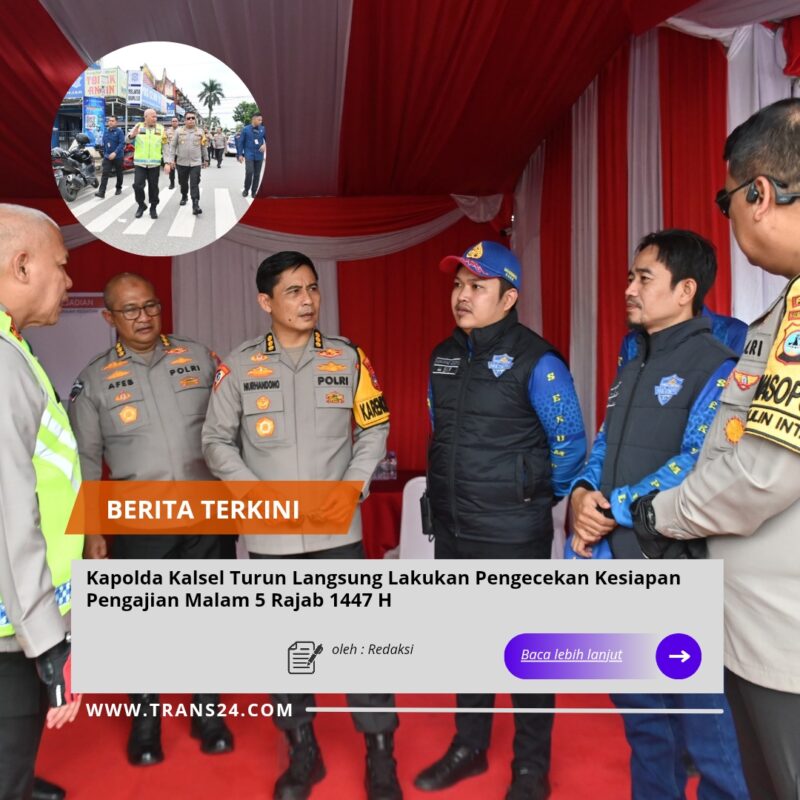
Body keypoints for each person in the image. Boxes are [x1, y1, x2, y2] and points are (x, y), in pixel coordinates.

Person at [632, 98, 800, 800]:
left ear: (759, 194)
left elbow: (762, 474)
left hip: (783, 642)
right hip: (758, 629)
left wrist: (658, 513)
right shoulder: (781, 312)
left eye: (726, 200)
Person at [202, 251, 401, 800]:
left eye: (312, 288)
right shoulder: (239, 367)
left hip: (338, 533)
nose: (308, 300)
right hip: (271, 540)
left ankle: (380, 755)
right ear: (266, 302)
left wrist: (353, 484)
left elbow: (375, 427)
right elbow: (215, 441)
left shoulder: (348, 357)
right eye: (293, 291)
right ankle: (302, 751)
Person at [568, 229, 747, 800]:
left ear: (685, 290)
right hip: (617, 567)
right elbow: (603, 444)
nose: (630, 288)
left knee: (708, 730)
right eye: (630, 276)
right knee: (645, 725)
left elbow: (699, 461)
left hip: (677, 569)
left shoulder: (719, 367)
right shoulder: (633, 361)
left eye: (644, 278)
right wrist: (582, 495)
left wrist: (615, 508)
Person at [415, 241, 586, 800]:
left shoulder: (539, 361)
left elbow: (570, 446)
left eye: (477, 287)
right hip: (454, 530)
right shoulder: (443, 356)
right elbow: (440, 430)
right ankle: (469, 746)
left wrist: (530, 499)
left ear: (509, 298)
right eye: (458, 285)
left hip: (513, 536)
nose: (462, 296)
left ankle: (531, 768)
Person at [68, 272, 233, 766]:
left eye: (151, 306)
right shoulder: (94, 380)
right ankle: (146, 722)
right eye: (130, 310)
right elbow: (85, 461)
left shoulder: (199, 357)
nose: (143, 317)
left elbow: (231, 428)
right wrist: (92, 530)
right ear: (109, 317)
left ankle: (208, 713)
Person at [0, 205, 83, 800]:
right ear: (22, 265)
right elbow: (9, 512)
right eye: (62, 265)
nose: (69, 280)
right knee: (9, 746)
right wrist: (49, 642)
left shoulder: (15, 347)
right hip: (14, 621)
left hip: (17, 611)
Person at [165, 113, 209, 216]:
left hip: (195, 162)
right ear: (185, 120)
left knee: (194, 183)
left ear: (195, 120)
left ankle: (195, 204)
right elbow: (173, 146)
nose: (191, 120)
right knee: (183, 182)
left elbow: (203, 146)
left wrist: (206, 159)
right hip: (181, 162)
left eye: (193, 118)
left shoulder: (200, 132)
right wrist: (171, 160)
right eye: (188, 118)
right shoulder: (178, 131)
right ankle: (184, 196)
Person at [127, 109, 167, 219]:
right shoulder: (138, 126)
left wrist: (167, 162)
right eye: (153, 116)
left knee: (153, 188)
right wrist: (132, 136)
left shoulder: (161, 128)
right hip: (140, 163)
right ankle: (141, 205)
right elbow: (127, 140)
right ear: (146, 117)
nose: (155, 118)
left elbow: (165, 146)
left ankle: (153, 207)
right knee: (137, 186)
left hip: (154, 164)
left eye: (156, 116)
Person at [236, 111, 266, 198]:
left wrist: (265, 145)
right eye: (259, 120)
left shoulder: (263, 129)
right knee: (249, 172)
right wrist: (240, 155)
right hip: (249, 154)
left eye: (261, 120)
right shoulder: (245, 129)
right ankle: (246, 189)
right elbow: (240, 143)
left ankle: (254, 192)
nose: (261, 121)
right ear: (254, 119)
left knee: (257, 174)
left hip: (259, 155)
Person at [94, 115, 125, 198]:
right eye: (109, 121)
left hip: (118, 156)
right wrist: (105, 154)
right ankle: (101, 192)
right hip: (108, 157)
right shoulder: (106, 132)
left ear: (116, 122)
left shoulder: (119, 132)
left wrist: (115, 153)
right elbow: (105, 144)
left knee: (119, 173)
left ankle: (118, 188)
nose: (110, 122)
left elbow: (122, 143)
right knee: (105, 173)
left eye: (112, 121)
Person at [165, 117, 180, 191]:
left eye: (176, 121)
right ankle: (172, 183)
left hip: (180, 153)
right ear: (171, 122)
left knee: (181, 170)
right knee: (171, 169)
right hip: (171, 153)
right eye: (173, 121)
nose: (174, 122)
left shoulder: (181, 130)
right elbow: (165, 142)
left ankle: (182, 182)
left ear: (178, 122)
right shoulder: (167, 131)